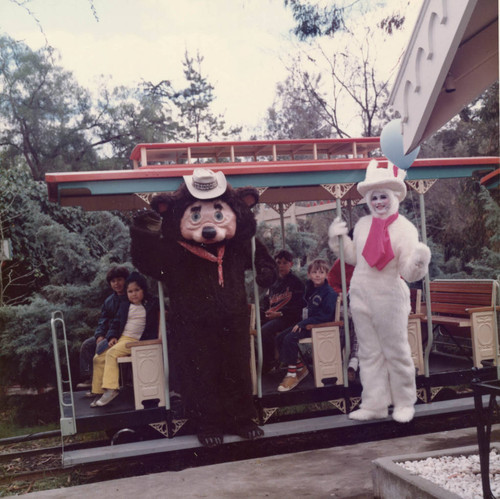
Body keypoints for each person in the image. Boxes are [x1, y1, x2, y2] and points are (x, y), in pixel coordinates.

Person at [329, 159, 431, 423]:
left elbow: (409, 272)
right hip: (361, 295)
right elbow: (353, 257)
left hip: (390, 296)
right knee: (368, 352)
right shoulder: (362, 225)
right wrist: (338, 240)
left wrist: (419, 260)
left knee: (396, 351)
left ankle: (405, 402)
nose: (378, 202)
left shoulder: (406, 228)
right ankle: (374, 404)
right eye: (374, 197)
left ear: (394, 197)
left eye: (383, 196)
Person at [90, 271, 160, 407]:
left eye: (137, 290)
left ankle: (111, 389)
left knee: (111, 354)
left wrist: (165, 310)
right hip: (122, 338)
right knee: (98, 357)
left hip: (134, 341)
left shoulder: (150, 304)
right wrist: (112, 336)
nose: (133, 294)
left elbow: (162, 308)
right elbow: (115, 323)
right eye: (130, 291)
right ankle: (99, 390)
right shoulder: (125, 306)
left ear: (143, 290)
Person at [276, 259, 338, 392]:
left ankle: (292, 374)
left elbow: (325, 316)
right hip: (307, 324)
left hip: (319, 327)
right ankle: (299, 366)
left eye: (321, 272)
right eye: (314, 272)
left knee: (290, 338)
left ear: (326, 274)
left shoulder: (329, 293)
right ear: (309, 274)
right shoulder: (310, 288)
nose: (317, 275)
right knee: (280, 338)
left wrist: (304, 323)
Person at [77, 266, 130, 390]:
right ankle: (90, 377)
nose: (116, 284)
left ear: (126, 280)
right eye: (113, 281)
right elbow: (103, 320)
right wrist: (99, 335)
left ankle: (121, 381)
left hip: (122, 335)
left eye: (119, 280)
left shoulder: (131, 296)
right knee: (87, 345)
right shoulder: (109, 301)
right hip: (107, 334)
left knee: (102, 349)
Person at [260, 250, 305, 374]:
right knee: (255, 325)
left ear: (290, 264)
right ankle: (259, 361)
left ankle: (268, 364)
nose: (281, 266)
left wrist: (279, 314)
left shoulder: (296, 283)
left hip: (290, 318)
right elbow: (267, 302)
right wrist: (266, 311)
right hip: (274, 316)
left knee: (264, 331)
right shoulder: (273, 283)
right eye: (278, 262)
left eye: (284, 263)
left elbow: (299, 307)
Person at [327, 257, 359, 382]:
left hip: (367, 301)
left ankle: (354, 361)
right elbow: (331, 281)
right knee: (344, 318)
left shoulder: (372, 258)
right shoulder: (342, 261)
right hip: (347, 300)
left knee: (360, 319)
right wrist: (340, 292)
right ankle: (339, 361)